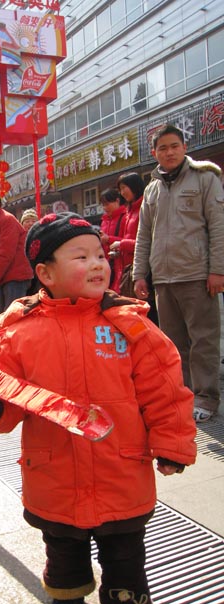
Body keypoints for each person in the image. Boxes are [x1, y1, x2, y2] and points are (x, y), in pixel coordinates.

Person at [0, 213, 196, 604]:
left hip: (120, 466)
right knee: (62, 542)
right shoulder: (21, 334)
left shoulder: (130, 326)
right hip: (54, 468)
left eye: (101, 255)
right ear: (45, 273)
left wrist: (172, 445)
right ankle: (66, 595)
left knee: (124, 547)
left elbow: (164, 390)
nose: (98, 264)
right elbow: (10, 405)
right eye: (81, 256)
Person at [133, 123, 224, 423]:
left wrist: (218, 271)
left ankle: (207, 397)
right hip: (163, 279)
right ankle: (183, 394)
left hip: (197, 275)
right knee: (172, 343)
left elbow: (218, 227)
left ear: (185, 147)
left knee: (204, 340)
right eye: (163, 148)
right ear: (154, 152)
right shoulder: (152, 189)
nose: (169, 152)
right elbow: (143, 235)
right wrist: (139, 274)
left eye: (174, 146)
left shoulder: (205, 178)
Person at [0, 189, 33, 314]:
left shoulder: (6, 220)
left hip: (16, 276)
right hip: (5, 276)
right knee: (4, 316)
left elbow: (6, 252)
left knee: (11, 317)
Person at [108, 173, 144, 294]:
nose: (122, 192)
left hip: (142, 268)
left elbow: (146, 242)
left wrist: (121, 244)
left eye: (124, 188)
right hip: (128, 268)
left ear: (135, 186)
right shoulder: (129, 210)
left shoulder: (145, 208)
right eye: (120, 189)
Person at [99, 188, 127, 283]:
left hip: (122, 266)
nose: (105, 208)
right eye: (103, 205)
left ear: (117, 201)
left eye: (107, 204)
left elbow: (129, 240)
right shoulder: (104, 221)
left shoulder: (126, 217)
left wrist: (109, 239)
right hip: (108, 266)